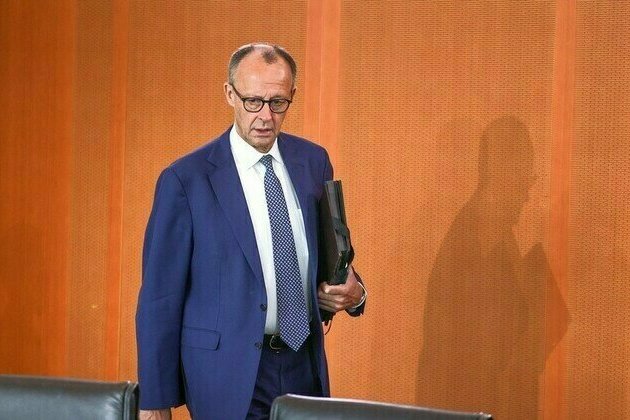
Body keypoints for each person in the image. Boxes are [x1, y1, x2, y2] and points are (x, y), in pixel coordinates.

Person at [136, 43, 367, 420]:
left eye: (278, 103)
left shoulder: (313, 162)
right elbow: (159, 298)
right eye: (253, 101)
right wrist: (154, 400)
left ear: (292, 96)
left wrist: (354, 293)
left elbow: (330, 258)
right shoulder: (186, 179)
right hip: (226, 375)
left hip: (304, 366)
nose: (265, 116)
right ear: (230, 94)